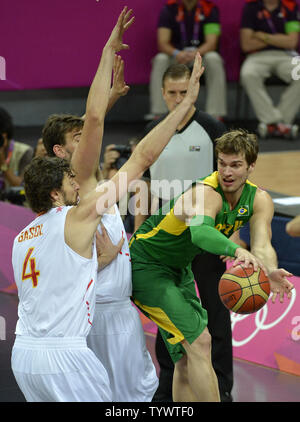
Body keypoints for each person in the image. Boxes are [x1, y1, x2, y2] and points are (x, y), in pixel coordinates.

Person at [12, 10, 205, 402]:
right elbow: (115, 136)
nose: (87, 141)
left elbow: (95, 123)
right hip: (84, 330)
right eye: (77, 140)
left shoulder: (23, 235)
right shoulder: (82, 206)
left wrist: (98, 261)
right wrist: (183, 108)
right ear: (58, 185)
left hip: (30, 349)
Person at [130, 128, 294, 402]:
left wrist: (269, 270)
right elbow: (200, 233)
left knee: (185, 358)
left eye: (236, 165)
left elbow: (263, 244)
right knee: (201, 342)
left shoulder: (259, 199)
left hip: (178, 270)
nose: (227, 172)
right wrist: (235, 250)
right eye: (222, 164)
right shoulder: (206, 193)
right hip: (146, 264)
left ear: (251, 166)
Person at [42, 67, 158, 401]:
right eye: (77, 143)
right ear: (60, 153)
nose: (90, 143)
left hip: (118, 310)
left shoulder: (93, 185)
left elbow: (86, 128)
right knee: (117, 396)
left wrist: (111, 98)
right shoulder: (67, 200)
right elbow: (63, 271)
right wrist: (100, 262)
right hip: (96, 314)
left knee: (134, 391)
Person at [136, 62, 233, 402]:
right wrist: (136, 234)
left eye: (184, 92)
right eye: (172, 93)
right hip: (166, 240)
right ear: (162, 94)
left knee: (214, 317)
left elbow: (230, 184)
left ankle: (220, 387)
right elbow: (142, 188)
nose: (178, 100)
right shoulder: (153, 132)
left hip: (204, 236)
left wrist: (234, 235)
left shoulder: (212, 129)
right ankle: (171, 390)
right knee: (173, 324)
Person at [147, 0, 227, 121]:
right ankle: (159, 115)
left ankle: (215, 115)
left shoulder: (210, 9)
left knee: (214, 59)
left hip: (200, 56)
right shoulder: (168, 10)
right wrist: (177, 53)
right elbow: (162, 42)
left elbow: (212, 43)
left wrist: (195, 54)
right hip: (177, 56)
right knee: (160, 59)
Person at [240, 0, 300, 139]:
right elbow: (246, 44)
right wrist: (279, 39)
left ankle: (275, 124)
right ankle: (278, 123)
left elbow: (292, 42)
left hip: (286, 55)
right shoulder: (251, 8)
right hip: (257, 56)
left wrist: (263, 36)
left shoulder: (290, 6)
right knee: (248, 74)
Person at [0, 107, 33, 192]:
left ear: (5, 133)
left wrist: (3, 164)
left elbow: (22, 186)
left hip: (15, 203)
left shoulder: (25, 152)